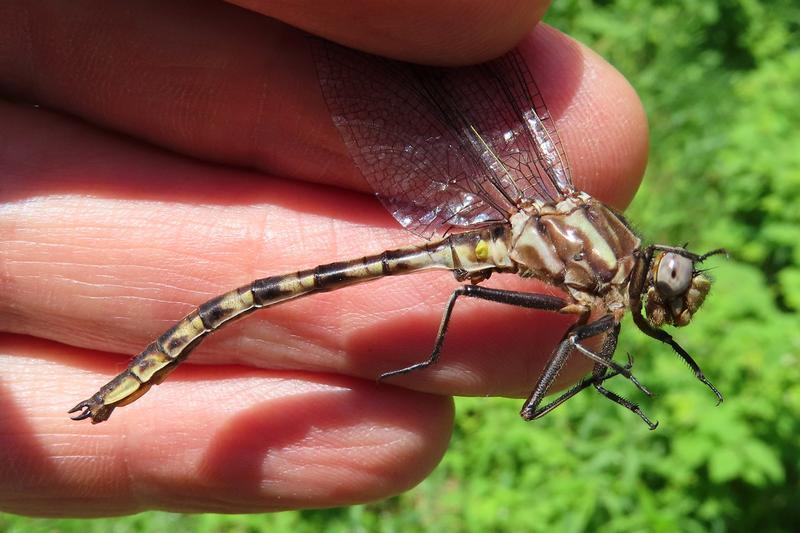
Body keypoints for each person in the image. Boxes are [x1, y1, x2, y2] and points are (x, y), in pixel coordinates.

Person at [0, 0, 648, 516]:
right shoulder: (599, 274)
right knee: (245, 300)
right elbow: (579, 341)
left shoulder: (594, 264)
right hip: (493, 233)